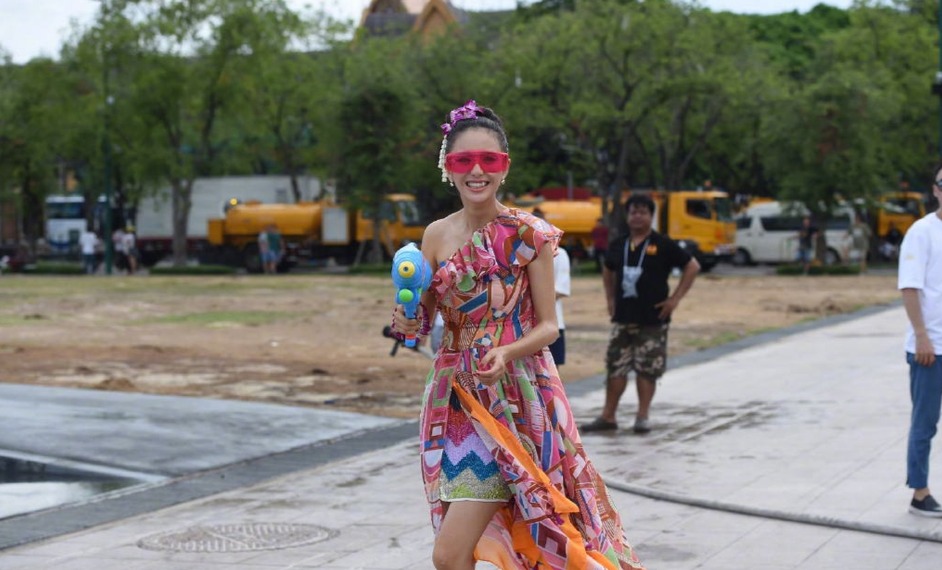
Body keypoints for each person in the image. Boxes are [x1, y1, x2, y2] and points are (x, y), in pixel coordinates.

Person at [392, 100, 644, 570]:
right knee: (456, 552)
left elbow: (548, 326)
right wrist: (406, 321)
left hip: (518, 402)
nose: (477, 171)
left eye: (489, 160)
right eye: (464, 160)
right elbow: (422, 320)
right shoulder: (434, 236)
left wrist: (507, 351)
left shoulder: (529, 235)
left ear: (504, 167)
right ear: (448, 168)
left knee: (457, 553)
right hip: (454, 402)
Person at [582, 193, 700, 435]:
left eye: (643, 212)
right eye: (633, 212)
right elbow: (608, 269)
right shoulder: (619, 244)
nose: (637, 216)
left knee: (647, 369)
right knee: (616, 366)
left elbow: (692, 266)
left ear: (651, 216)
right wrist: (610, 298)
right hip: (623, 317)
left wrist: (674, 299)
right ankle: (608, 416)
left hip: (653, 318)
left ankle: (642, 416)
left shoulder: (663, 244)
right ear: (627, 216)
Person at [898, 165, 942, 517]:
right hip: (931, 348)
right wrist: (922, 336)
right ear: (936, 190)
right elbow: (910, 287)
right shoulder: (922, 232)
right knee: (924, 423)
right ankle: (919, 492)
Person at [533, 208, 571, 365]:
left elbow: (561, 289)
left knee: (552, 370)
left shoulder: (559, 253)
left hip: (551, 323)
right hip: (523, 328)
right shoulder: (518, 254)